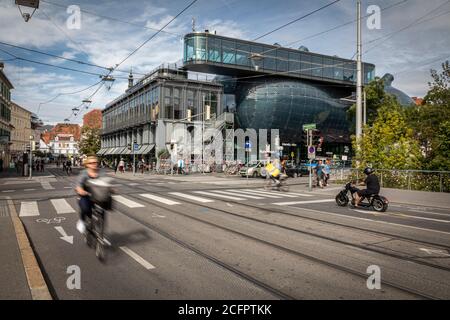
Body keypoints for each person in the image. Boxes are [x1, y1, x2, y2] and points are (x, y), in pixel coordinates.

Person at [75, 155, 101, 234]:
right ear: (87, 164)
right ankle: (82, 221)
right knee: (85, 209)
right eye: (91, 163)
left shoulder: (101, 172)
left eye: (96, 162)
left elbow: (106, 182)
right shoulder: (84, 173)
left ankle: (100, 227)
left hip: (98, 195)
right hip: (86, 195)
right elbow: (78, 185)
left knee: (103, 209)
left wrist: (111, 189)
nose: (94, 164)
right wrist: (81, 190)